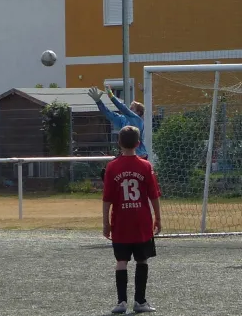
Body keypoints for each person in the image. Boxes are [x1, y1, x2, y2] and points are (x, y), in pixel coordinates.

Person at [102, 126, 161, 314]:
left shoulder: (112, 167)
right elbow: (154, 196)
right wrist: (158, 218)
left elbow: (107, 199)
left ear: (119, 143)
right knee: (142, 260)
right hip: (141, 223)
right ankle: (140, 302)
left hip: (120, 223)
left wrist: (105, 223)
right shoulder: (146, 166)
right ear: (138, 143)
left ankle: (121, 302)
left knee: (121, 261)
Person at [88, 86, 148, 159]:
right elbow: (108, 114)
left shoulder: (137, 120)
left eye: (132, 108)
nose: (129, 109)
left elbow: (124, 109)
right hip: (127, 156)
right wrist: (98, 101)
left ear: (138, 112)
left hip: (140, 156)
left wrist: (111, 96)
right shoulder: (123, 120)